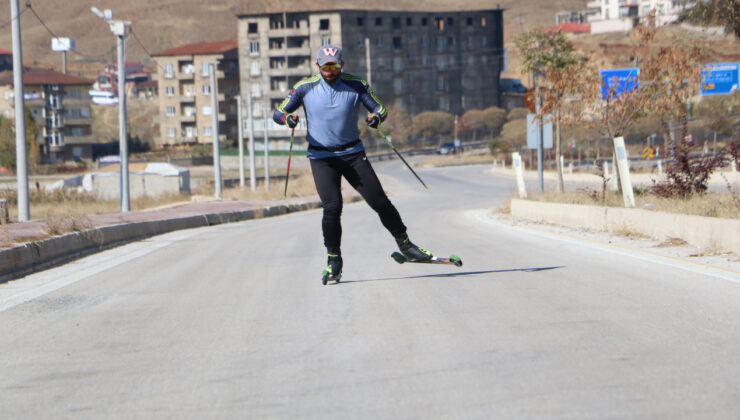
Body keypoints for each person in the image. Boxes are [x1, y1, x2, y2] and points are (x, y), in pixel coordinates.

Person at [272, 44, 432, 280]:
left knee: (379, 200)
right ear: (317, 66)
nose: (330, 70)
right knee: (332, 207)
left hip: (352, 154)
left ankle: (406, 245)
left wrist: (376, 117)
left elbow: (380, 108)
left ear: (342, 65)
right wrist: (288, 118)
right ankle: (334, 259)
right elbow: (278, 113)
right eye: (325, 66)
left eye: (334, 65)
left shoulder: (356, 84)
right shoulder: (304, 87)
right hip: (321, 157)